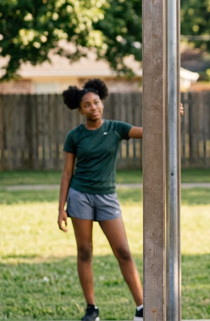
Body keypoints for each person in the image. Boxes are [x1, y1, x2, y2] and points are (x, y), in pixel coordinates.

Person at [58, 78, 144, 321]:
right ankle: (91, 309)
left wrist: (172, 116)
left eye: (96, 102)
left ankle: (141, 307)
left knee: (123, 251)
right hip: (80, 196)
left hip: (107, 197)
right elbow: (66, 173)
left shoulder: (116, 128)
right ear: (80, 109)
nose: (93, 107)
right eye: (87, 105)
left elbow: (151, 132)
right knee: (84, 251)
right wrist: (61, 208)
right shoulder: (74, 136)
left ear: (102, 103)